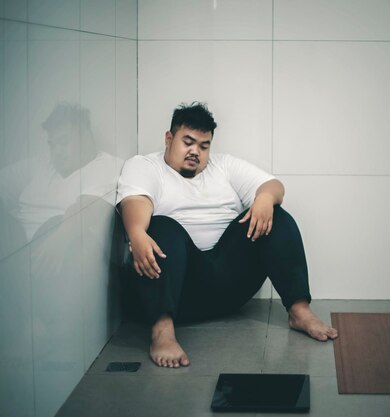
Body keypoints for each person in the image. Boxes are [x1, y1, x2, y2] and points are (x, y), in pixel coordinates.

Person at [116, 102, 338, 368]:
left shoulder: (224, 166)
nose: (195, 151)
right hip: (179, 288)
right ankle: (162, 331)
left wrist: (265, 198)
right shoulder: (145, 166)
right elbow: (136, 202)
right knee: (161, 227)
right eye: (188, 142)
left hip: (230, 286)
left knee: (275, 215)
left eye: (203, 145)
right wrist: (136, 233)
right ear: (169, 138)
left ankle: (299, 311)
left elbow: (273, 185)